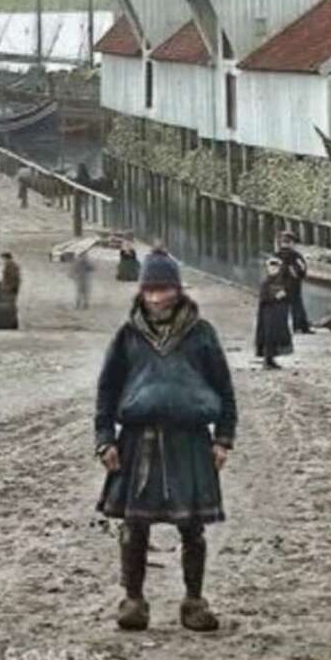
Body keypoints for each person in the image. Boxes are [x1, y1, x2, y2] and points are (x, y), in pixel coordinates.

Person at [95, 252, 237, 633]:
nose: (156, 298)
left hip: (189, 439)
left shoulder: (201, 333)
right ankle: (134, 600)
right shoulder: (127, 336)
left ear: (178, 289)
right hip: (138, 439)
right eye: (150, 290)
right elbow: (107, 390)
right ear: (141, 291)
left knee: (192, 526)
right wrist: (105, 438)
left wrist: (223, 439)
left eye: (164, 289)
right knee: (134, 526)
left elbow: (224, 388)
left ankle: (194, 601)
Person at [255, 256, 294, 370]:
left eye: (276, 267)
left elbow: (289, 294)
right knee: (268, 337)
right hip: (268, 314)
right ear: (268, 268)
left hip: (279, 314)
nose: (273, 269)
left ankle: (272, 360)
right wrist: (276, 297)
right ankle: (267, 361)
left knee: (277, 336)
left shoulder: (282, 281)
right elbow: (263, 299)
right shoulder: (265, 283)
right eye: (271, 267)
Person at [276, 232, 311, 333]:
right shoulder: (296, 256)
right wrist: (298, 275)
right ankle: (299, 328)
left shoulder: (277, 255)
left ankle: (281, 329)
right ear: (292, 243)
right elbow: (303, 270)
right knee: (297, 307)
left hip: (280, 285)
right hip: (293, 285)